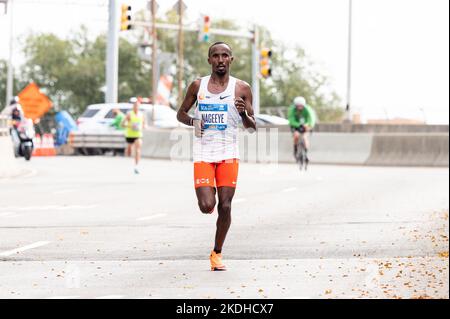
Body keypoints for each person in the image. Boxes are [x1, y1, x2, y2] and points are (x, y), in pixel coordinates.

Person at [177, 42, 256, 271]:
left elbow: (252, 126)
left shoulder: (241, 88)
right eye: (216, 56)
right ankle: (208, 191)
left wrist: (242, 114)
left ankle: (217, 253)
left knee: (226, 206)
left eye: (225, 56)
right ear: (209, 60)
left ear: (231, 59)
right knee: (206, 205)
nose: (220, 59)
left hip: (228, 153)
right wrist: (193, 121)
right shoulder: (197, 86)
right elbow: (180, 114)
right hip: (203, 152)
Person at [287, 96, 316, 162]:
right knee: (296, 136)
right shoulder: (292, 109)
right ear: (295, 105)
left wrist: (308, 125)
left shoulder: (308, 109)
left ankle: (305, 153)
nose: (300, 107)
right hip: (296, 125)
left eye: (301, 106)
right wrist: (298, 125)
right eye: (298, 106)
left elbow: (312, 118)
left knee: (305, 137)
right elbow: (291, 120)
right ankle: (295, 150)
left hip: (306, 125)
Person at [122, 98, 146, 174]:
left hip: (138, 134)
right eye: (135, 106)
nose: (136, 107)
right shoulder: (129, 114)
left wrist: (143, 126)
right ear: (133, 107)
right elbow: (122, 124)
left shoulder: (141, 115)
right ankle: (128, 150)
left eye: (137, 106)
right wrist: (130, 126)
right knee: (129, 151)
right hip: (129, 135)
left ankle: (136, 166)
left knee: (138, 149)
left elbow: (144, 124)